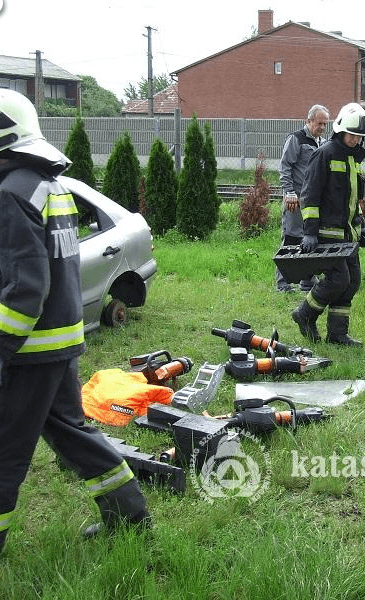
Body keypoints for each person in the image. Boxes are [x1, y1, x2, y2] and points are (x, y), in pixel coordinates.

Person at [0, 89, 151, 555]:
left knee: (5, 450)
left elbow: (25, 289)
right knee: (71, 431)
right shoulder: (49, 185)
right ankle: (129, 514)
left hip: (29, 350)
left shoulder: (10, 193)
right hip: (61, 341)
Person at [291, 102, 365, 347]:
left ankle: (337, 334)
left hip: (349, 233)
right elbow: (309, 195)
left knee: (352, 281)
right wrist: (310, 232)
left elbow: (352, 198)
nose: (356, 140)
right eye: (352, 135)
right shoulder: (325, 153)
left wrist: (361, 224)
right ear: (340, 130)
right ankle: (305, 314)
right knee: (338, 280)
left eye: (360, 136)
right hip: (327, 233)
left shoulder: (353, 157)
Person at [276, 104, 329, 292]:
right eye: (319, 123)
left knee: (310, 238)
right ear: (309, 121)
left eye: (325, 124)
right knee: (291, 238)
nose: (322, 127)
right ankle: (283, 283)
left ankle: (307, 280)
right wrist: (290, 193)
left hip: (313, 201)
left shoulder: (323, 143)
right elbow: (285, 167)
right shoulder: (296, 139)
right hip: (296, 199)